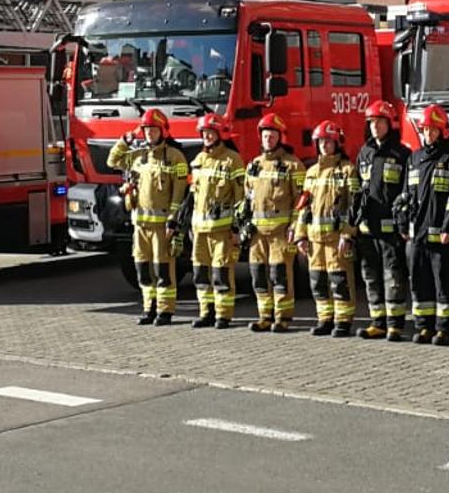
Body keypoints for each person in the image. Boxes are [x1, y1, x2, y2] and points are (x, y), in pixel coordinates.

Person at [107, 108, 190, 326]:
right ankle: (148, 309)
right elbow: (113, 161)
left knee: (163, 269)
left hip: (162, 226)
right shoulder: (138, 156)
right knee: (143, 269)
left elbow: (178, 194)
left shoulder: (175, 157)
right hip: (140, 225)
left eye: (153, 130)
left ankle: (165, 311)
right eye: (146, 130)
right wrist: (126, 139)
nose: (149, 134)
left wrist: (173, 221)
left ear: (163, 131)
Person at [402, 104, 449, 346]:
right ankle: (423, 326)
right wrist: (403, 222)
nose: (428, 134)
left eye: (432, 130)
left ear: (442, 131)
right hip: (417, 233)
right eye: (425, 129)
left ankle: (444, 328)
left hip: (442, 235)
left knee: (444, 282)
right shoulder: (415, 158)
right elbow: (407, 193)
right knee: (419, 281)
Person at [295, 120, 360, 338]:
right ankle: (325, 318)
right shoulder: (311, 172)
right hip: (314, 239)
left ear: (337, 143)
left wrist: (348, 234)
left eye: (329, 141)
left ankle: (343, 321)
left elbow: (353, 205)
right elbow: (304, 207)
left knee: (339, 280)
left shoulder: (348, 170)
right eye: (321, 141)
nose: (325, 145)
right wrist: (300, 235)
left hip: (336, 238)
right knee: (318, 281)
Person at [353, 101, 412, 340]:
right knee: (370, 276)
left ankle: (395, 323)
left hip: (390, 229)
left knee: (393, 276)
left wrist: (403, 223)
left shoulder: (402, 154)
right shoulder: (364, 153)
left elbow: (406, 191)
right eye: (372, 122)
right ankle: (377, 321)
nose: (375, 126)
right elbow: (357, 187)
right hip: (367, 228)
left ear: (390, 124)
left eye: (379, 122)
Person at [242, 114, 305, 333]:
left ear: (280, 137)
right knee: (258, 273)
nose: (268, 139)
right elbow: (247, 197)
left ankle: (283, 316)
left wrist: (295, 228)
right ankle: (264, 316)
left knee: (280, 274)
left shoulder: (292, 165)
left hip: (281, 232)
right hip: (257, 233)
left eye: (272, 135)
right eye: (265, 135)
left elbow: (301, 201)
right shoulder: (254, 165)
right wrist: (244, 223)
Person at [183, 114, 246, 328]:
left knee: (221, 272)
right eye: (204, 133)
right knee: (201, 274)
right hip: (199, 230)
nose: (207, 136)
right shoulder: (198, 160)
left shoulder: (232, 159)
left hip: (223, 230)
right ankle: (206, 312)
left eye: (211, 132)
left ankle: (223, 315)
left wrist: (237, 228)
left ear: (220, 134)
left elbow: (240, 198)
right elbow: (192, 195)